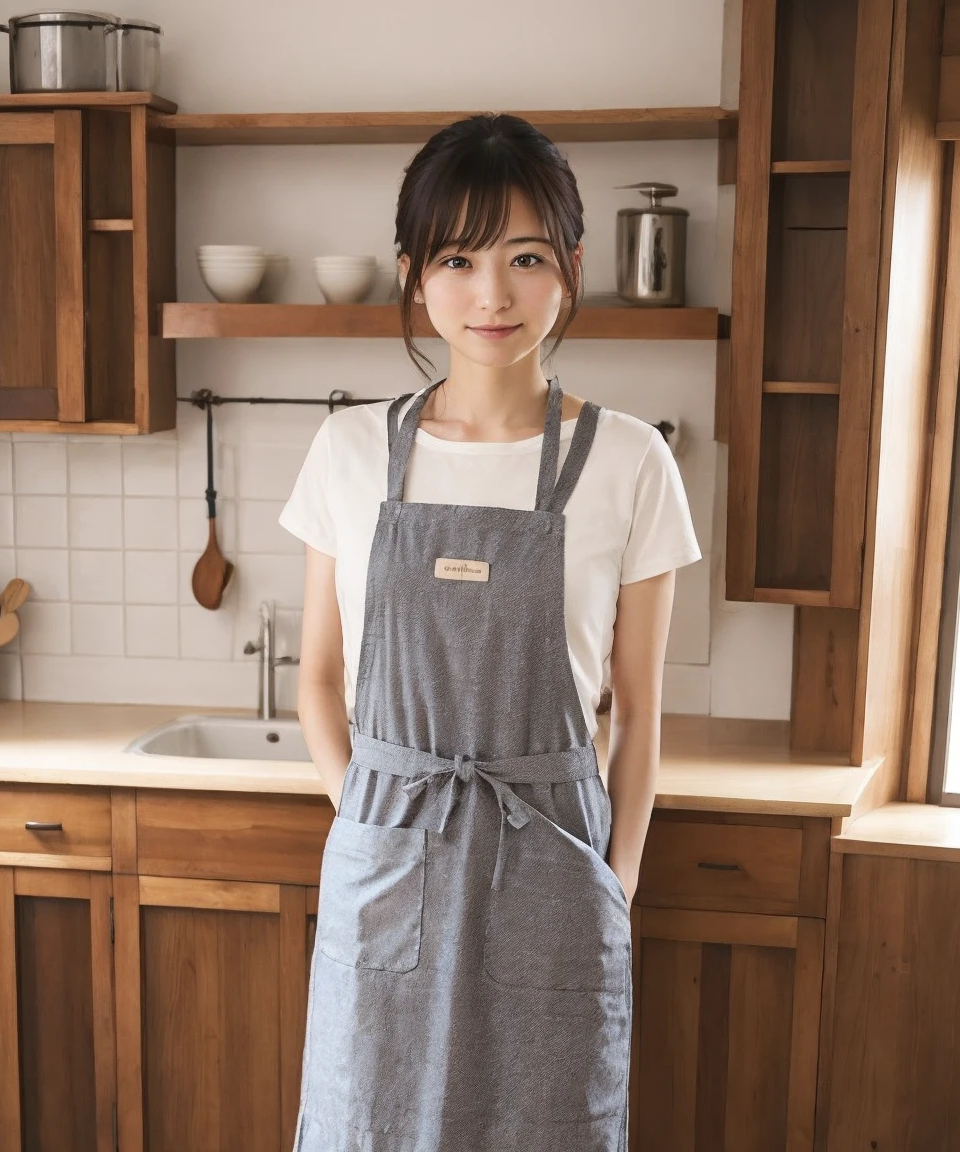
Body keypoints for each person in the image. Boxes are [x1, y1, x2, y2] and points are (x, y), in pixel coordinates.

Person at [278, 112, 701, 1152]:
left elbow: (639, 707)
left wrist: (619, 876)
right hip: (387, 853)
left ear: (571, 267)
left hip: (554, 867)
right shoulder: (347, 451)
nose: (492, 294)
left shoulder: (632, 460)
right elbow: (319, 679)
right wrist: (373, 816)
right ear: (414, 274)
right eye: (457, 257)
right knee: (364, 1123)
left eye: (525, 257)